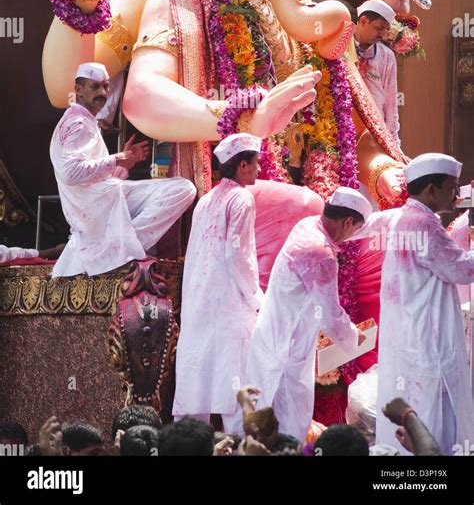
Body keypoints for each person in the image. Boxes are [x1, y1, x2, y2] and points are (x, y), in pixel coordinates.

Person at [351, 152, 474, 454]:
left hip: (408, 335)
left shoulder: (405, 218)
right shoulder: (424, 225)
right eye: (451, 187)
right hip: (426, 340)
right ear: (431, 189)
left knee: (413, 405)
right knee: (431, 411)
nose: (457, 194)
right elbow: (462, 269)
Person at [246, 187, 370, 444]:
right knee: (275, 416)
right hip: (285, 340)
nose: (351, 237)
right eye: (355, 229)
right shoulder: (321, 253)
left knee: (269, 413)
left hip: (281, 335)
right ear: (347, 221)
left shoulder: (308, 225)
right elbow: (331, 314)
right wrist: (352, 337)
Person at [50, 62, 196, 277]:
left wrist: (123, 165)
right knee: (183, 189)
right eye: (94, 87)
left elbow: (91, 178)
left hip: (102, 199)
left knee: (178, 189)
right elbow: (71, 173)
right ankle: (118, 248)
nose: (102, 92)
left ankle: (117, 245)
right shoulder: (79, 123)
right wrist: (116, 159)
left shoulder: (82, 120)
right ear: (78, 90)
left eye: (105, 86)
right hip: (94, 208)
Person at [172, 133, 264, 434]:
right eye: (255, 163)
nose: (259, 170)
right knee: (235, 392)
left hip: (198, 310)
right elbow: (238, 255)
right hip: (229, 309)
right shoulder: (241, 198)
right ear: (241, 166)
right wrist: (256, 298)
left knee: (195, 391)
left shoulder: (206, 200)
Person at [354, 0, 400, 146]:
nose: (382, 34)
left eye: (386, 30)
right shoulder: (341, 46)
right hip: (345, 127)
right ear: (363, 21)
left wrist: (394, 144)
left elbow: (391, 105)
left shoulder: (386, 56)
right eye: (379, 28)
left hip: (374, 131)